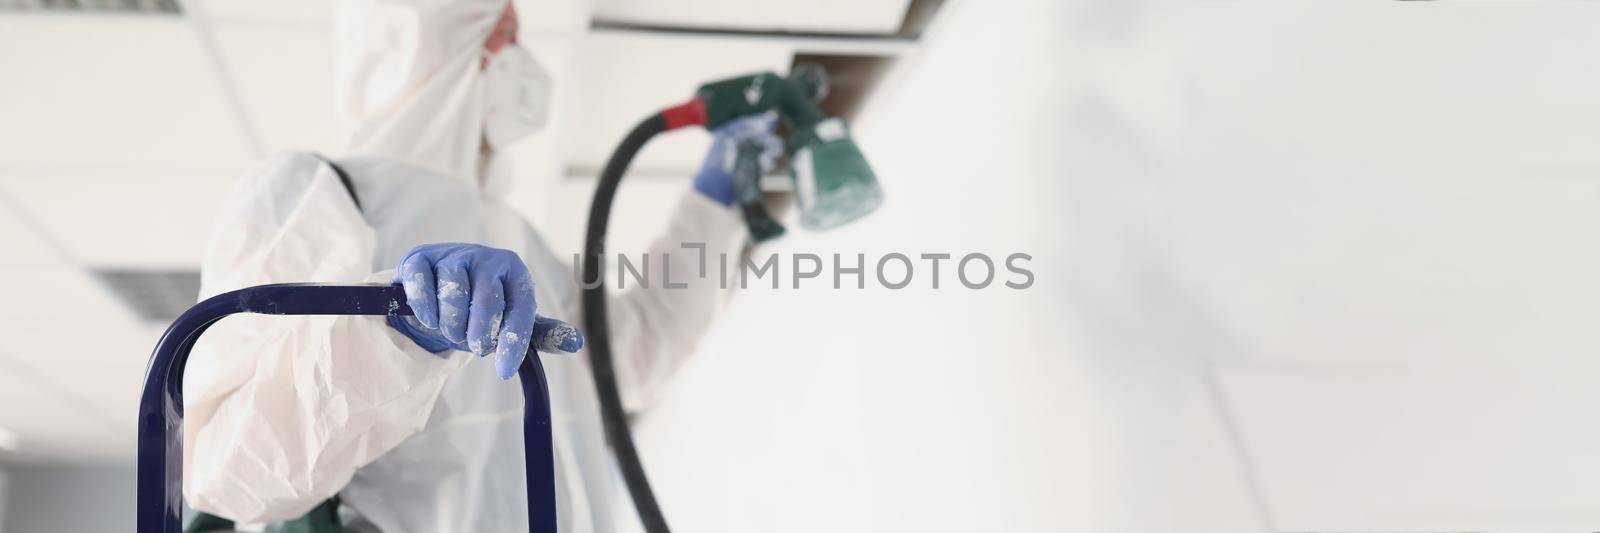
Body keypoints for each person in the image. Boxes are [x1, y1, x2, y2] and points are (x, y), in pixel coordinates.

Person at [181, 0, 781, 531]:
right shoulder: (314, 193)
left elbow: (628, 360)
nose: (523, 61)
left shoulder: (517, 238)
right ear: (431, 45)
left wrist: (713, 201)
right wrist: (392, 334)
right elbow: (230, 470)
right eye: (506, 35)